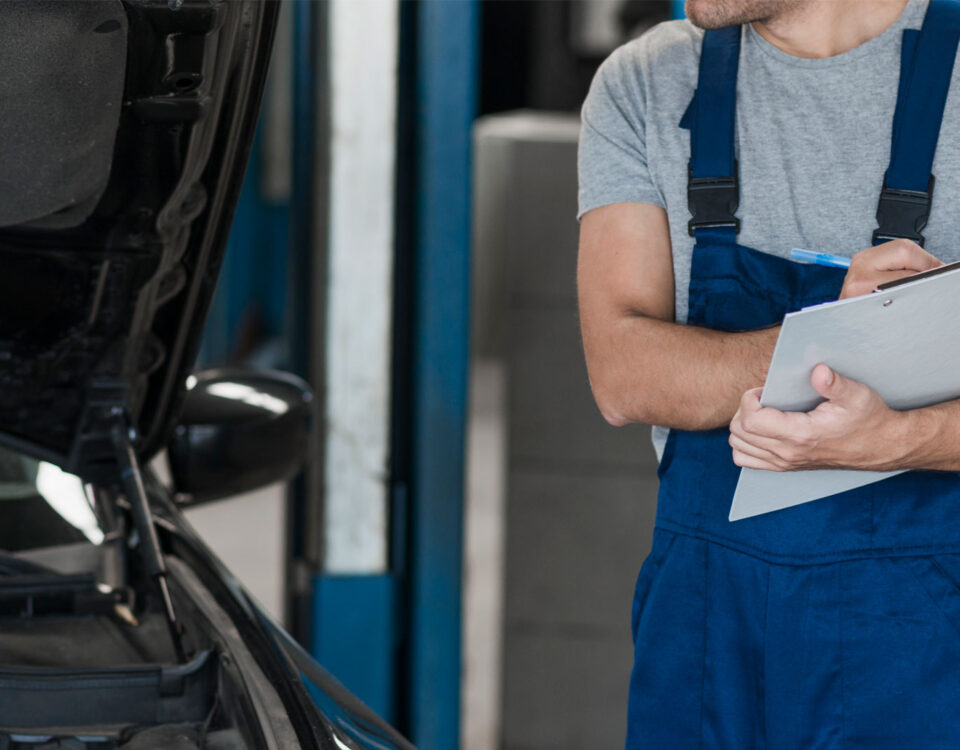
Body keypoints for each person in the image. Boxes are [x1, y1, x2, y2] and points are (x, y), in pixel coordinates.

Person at [577, 0, 960, 747]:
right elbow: (622, 374)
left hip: (922, 643)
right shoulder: (646, 84)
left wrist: (902, 439)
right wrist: (836, 344)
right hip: (703, 631)